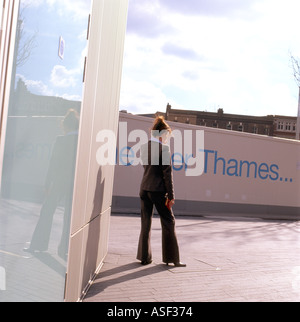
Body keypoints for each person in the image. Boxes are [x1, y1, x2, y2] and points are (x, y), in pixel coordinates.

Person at [24, 109, 79, 260]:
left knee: (47, 211)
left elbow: (53, 164)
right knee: (69, 216)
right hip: (74, 183)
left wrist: (47, 184)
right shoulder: (80, 142)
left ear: (65, 126)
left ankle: (38, 245)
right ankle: (64, 249)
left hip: (59, 182)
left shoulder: (61, 140)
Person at [137, 116, 186, 267]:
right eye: (167, 135)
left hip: (144, 189)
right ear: (162, 133)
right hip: (158, 191)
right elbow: (167, 174)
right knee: (169, 221)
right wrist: (171, 196)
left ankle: (144, 257)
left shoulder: (144, 147)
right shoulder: (164, 149)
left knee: (146, 223)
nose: (167, 138)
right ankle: (172, 259)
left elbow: (147, 168)